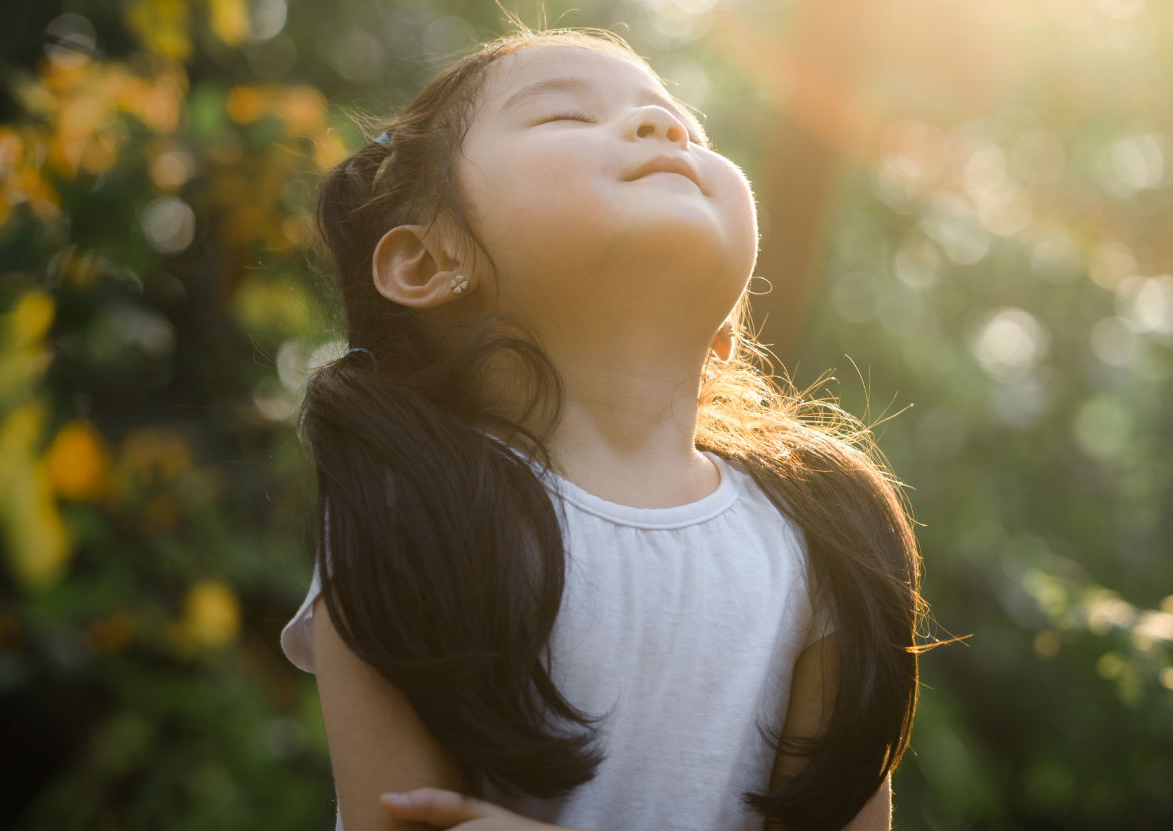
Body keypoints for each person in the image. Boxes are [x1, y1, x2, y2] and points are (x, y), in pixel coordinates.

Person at [280, 26, 923, 831]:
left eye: (685, 128)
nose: (664, 132)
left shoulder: (830, 538)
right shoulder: (407, 509)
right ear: (428, 262)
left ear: (724, 330)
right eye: (567, 118)